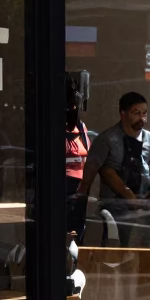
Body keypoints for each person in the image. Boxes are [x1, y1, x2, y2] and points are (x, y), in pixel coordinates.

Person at [78, 91, 150, 246]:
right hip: (115, 207)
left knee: (144, 249)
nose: (141, 118)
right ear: (123, 114)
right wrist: (81, 203)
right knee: (115, 248)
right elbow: (92, 173)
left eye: (144, 113)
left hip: (143, 207)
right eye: (136, 113)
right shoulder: (107, 139)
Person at [65, 71, 91, 241]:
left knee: (77, 235)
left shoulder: (81, 127)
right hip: (62, 191)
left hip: (79, 192)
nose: (74, 106)